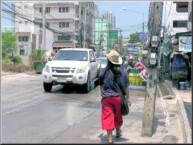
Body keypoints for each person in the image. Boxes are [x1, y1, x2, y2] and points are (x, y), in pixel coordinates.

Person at [99, 50, 131, 144]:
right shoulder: (123, 72)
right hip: (118, 98)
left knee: (108, 117)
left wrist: (103, 94)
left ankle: (109, 139)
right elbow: (126, 87)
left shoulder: (103, 72)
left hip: (106, 98)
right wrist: (128, 98)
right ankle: (117, 132)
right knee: (118, 115)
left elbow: (101, 86)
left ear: (108, 60)